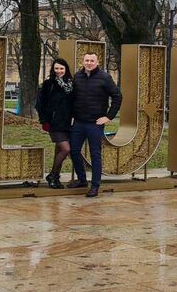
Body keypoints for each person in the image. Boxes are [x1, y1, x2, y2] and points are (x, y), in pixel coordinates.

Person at [67, 50, 122, 198]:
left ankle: (95, 186)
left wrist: (108, 117)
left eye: (92, 61)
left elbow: (117, 96)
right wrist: (71, 116)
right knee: (73, 151)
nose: (89, 63)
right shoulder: (77, 77)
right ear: (82, 62)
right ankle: (82, 179)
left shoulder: (105, 78)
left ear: (97, 62)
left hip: (95, 124)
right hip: (78, 122)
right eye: (87, 60)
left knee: (95, 155)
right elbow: (73, 98)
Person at [35, 58, 75, 188]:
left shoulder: (71, 84)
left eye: (61, 68)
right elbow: (40, 104)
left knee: (59, 150)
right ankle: (53, 175)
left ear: (66, 70)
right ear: (53, 69)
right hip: (54, 123)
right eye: (56, 68)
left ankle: (55, 178)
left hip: (67, 122)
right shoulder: (48, 84)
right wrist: (44, 121)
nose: (59, 71)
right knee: (66, 149)